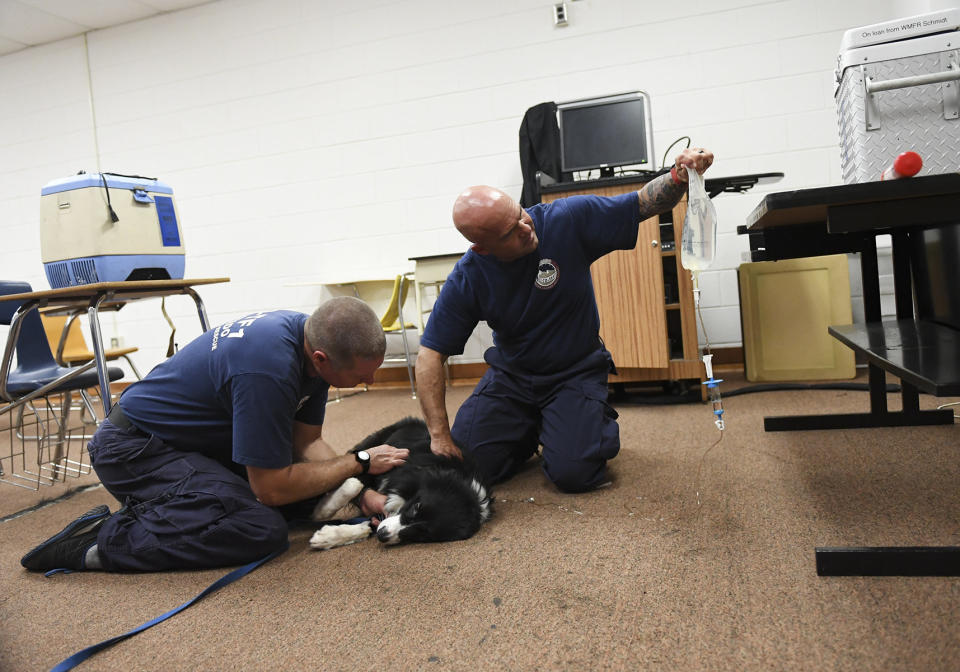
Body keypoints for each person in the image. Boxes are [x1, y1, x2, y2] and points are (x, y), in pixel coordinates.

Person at [21, 297, 409, 573]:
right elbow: (270, 488)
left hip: (191, 444)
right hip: (134, 450)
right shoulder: (268, 370)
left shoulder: (314, 342)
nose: (370, 382)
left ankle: (183, 504)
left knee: (299, 498)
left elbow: (306, 443)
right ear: (322, 359)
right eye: (362, 375)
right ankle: (98, 541)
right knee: (261, 529)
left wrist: (361, 491)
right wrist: (359, 461)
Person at [416, 147, 714, 492]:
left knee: (575, 475)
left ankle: (580, 421)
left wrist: (680, 174)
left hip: (575, 371)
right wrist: (438, 436)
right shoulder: (469, 277)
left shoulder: (565, 219)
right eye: (509, 233)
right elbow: (429, 356)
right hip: (512, 379)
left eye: (520, 215)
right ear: (482, 249)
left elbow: (643, 203)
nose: (525, 228)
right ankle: (532, 430)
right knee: (466, 468)